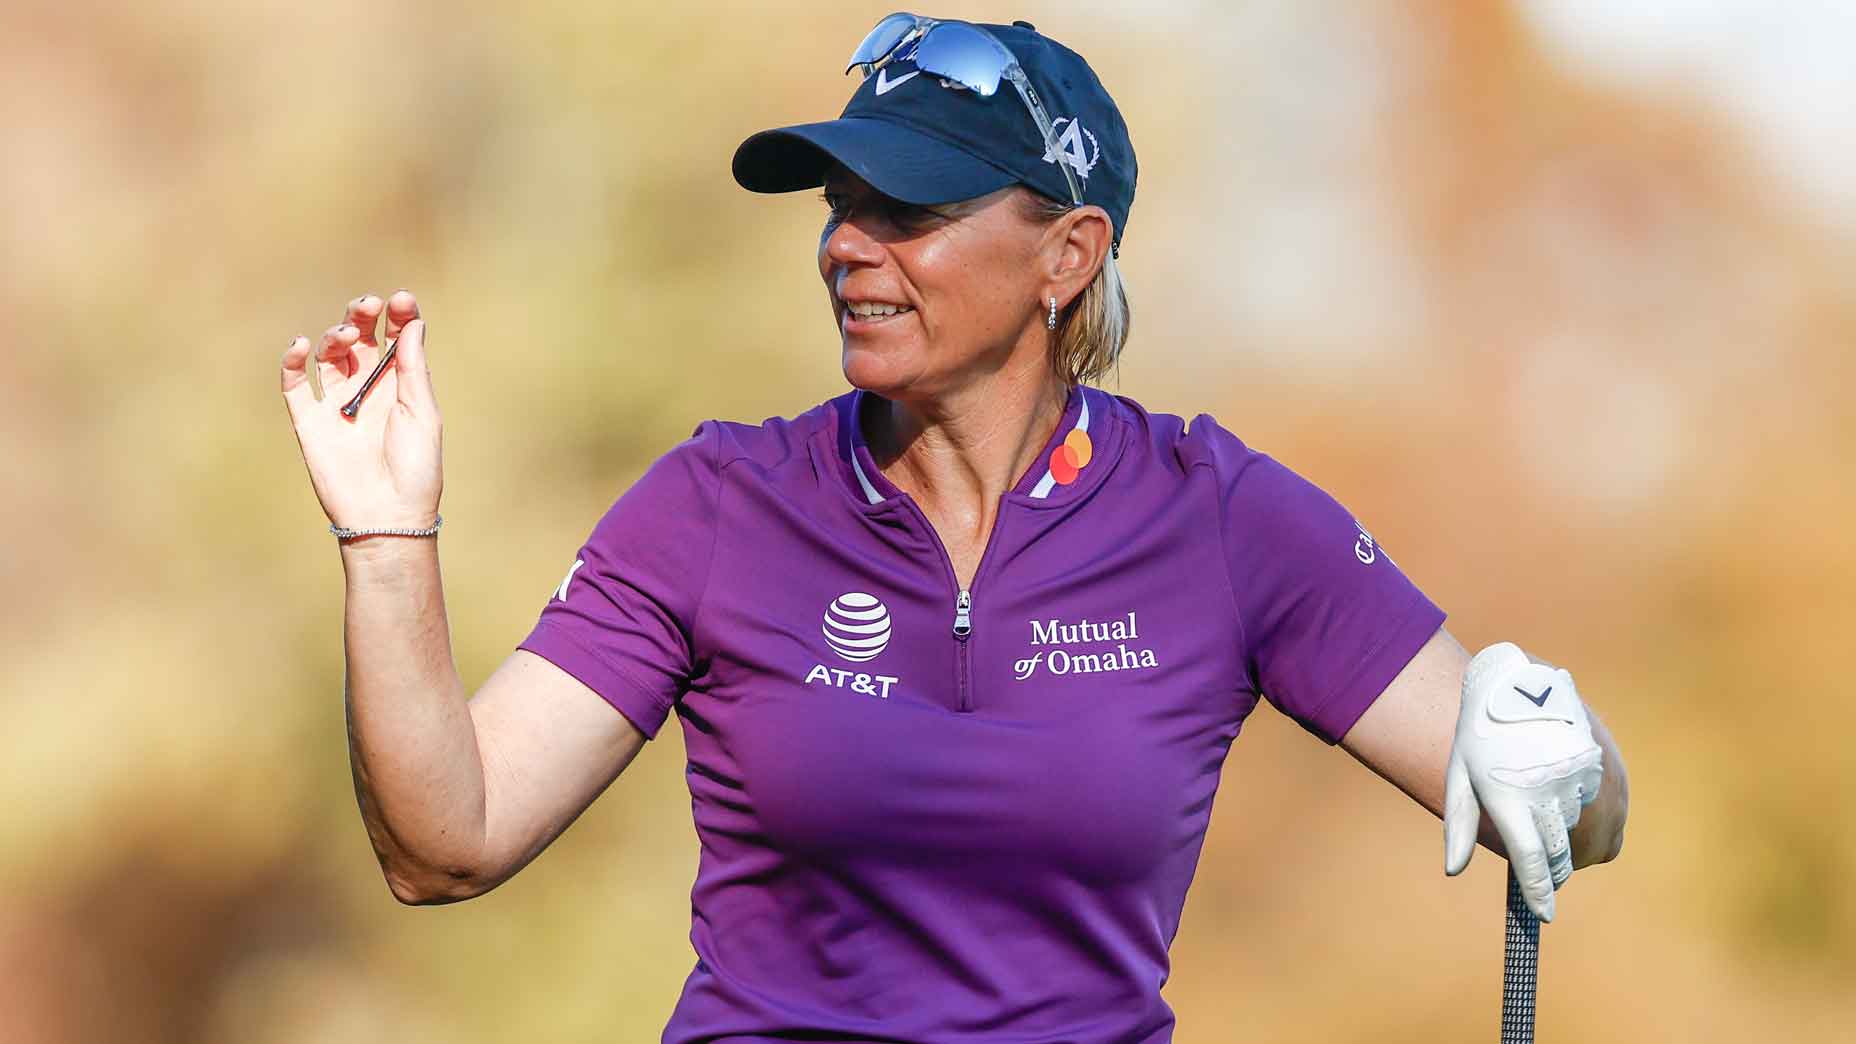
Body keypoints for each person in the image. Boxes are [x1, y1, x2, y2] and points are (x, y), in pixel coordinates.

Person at [278, 16, 1629, 1043]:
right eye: (840, 206)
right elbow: (442, 846)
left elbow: (1579, 811)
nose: (849, 247)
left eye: (910, 212)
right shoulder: (719, 507)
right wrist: (388, 540)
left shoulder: (1218, 519)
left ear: (1070, 256)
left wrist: (1559, 747)